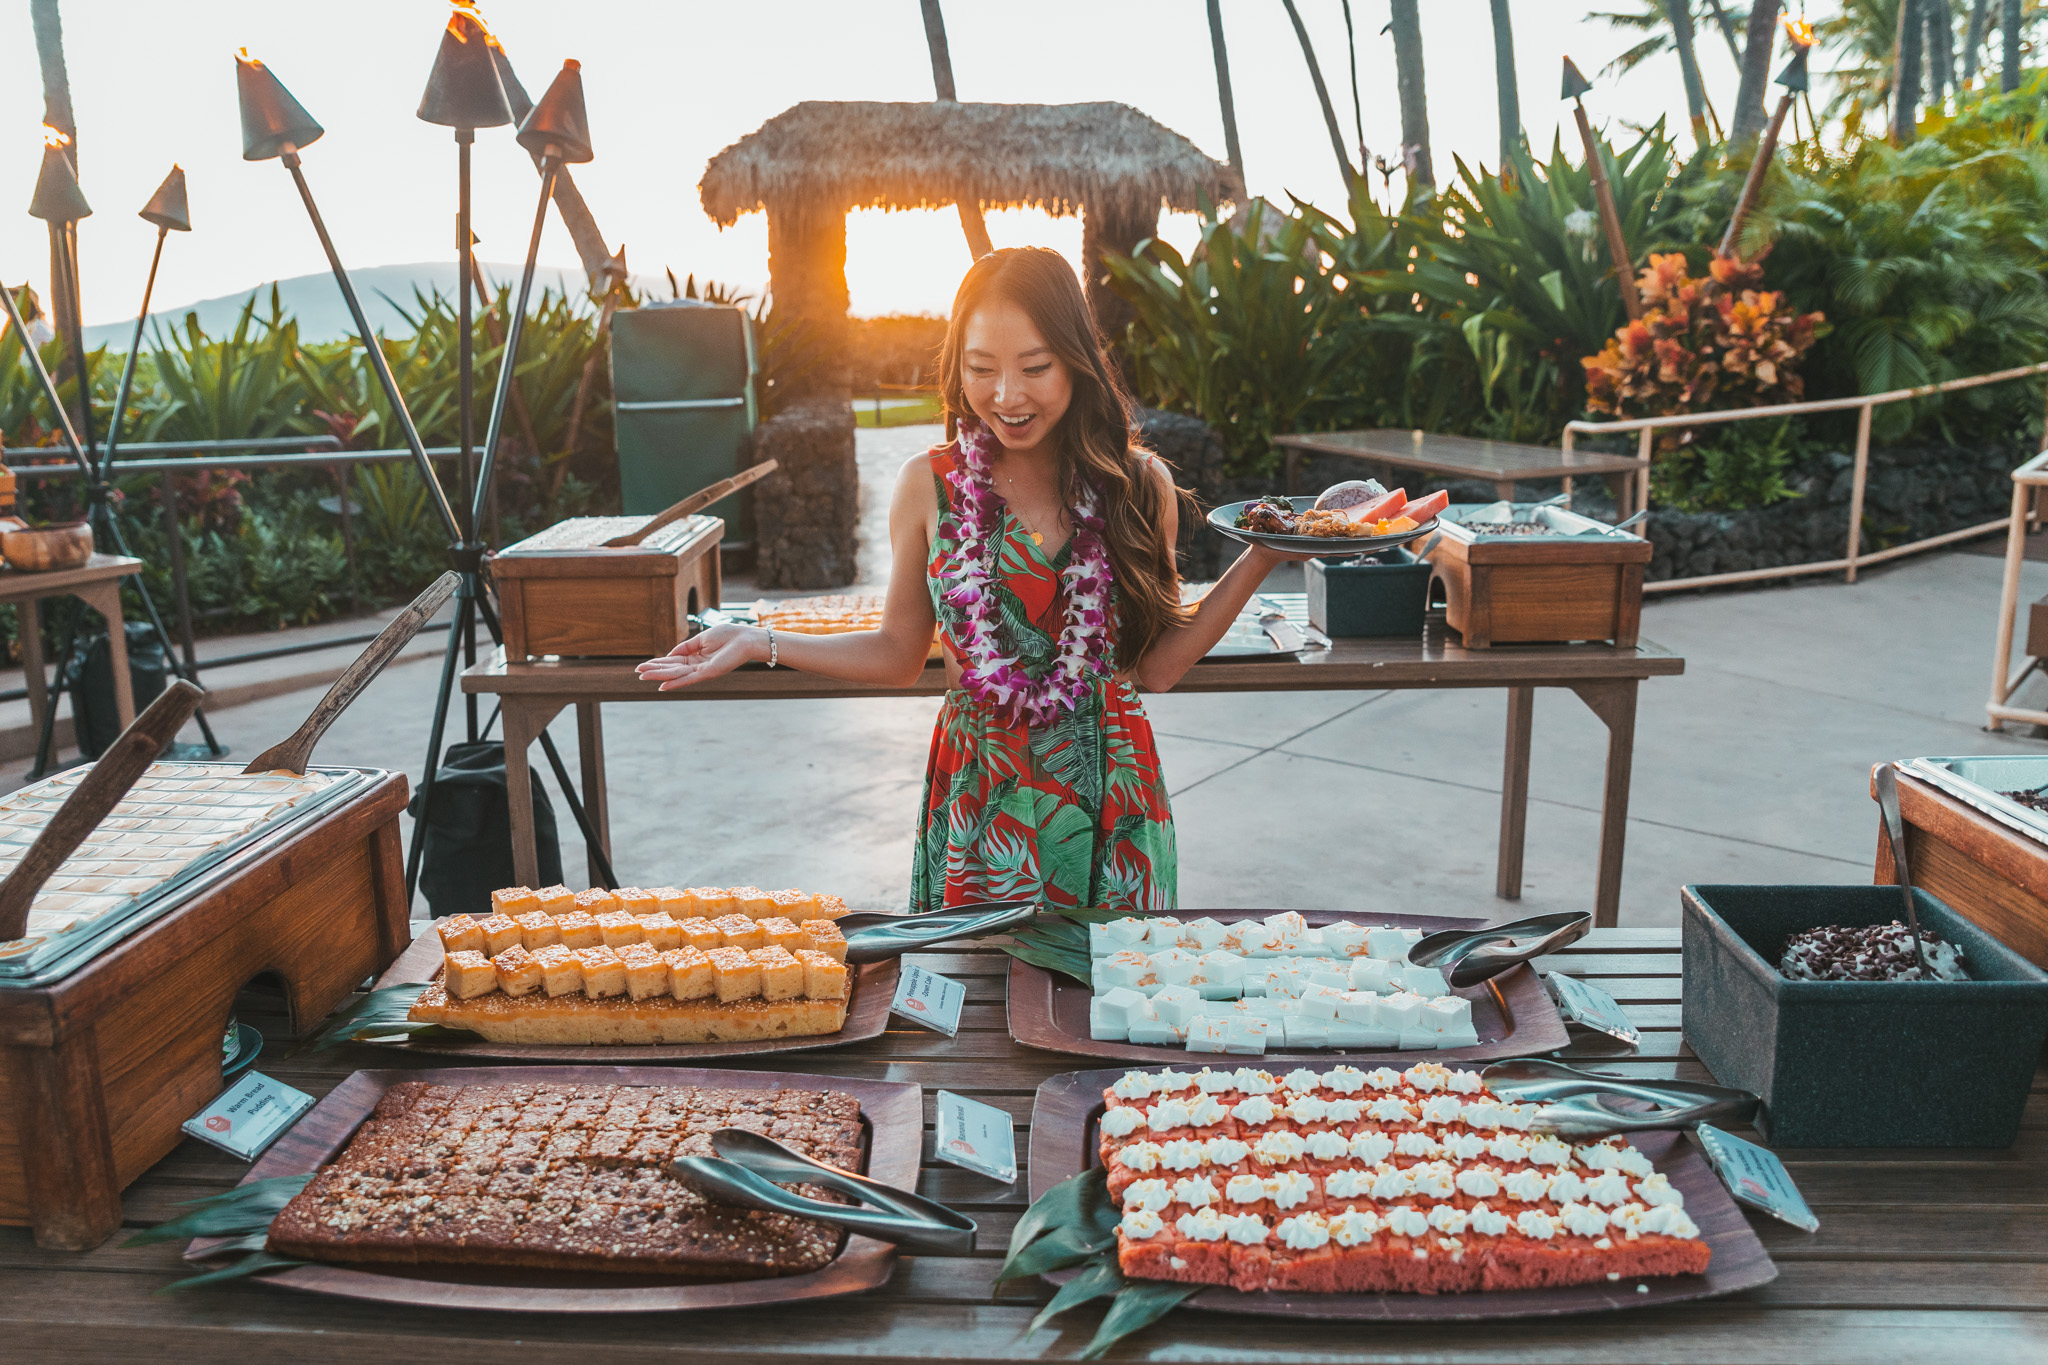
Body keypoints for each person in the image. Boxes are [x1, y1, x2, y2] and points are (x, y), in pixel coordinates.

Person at [637, 247, 1305, 913]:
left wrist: (1262, 556)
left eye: (1035, 367)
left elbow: (1155, 669)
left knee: (1106, 1009)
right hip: (983, 797)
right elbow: (899, 651)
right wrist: (761, 640)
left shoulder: (1138, 486)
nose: (1007, 396)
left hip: (1111, 796)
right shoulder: (929, 485)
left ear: (1076, 359)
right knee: (978, 1002)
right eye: (982, 368)